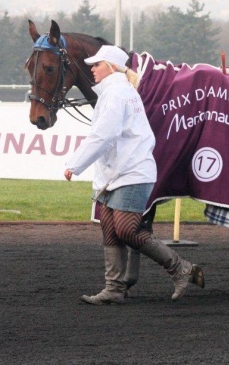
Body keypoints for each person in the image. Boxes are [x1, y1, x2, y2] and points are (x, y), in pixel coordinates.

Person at [64, 45, 204, 305]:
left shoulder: (117, 93)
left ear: (112, 67)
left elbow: (104, 135)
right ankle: (114, 289)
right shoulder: (118, 91)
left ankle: (181, 268)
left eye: (97, 64)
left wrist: (75, 164)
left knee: (127, 230)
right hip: (117, 172)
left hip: (132, 172)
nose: (92, 68)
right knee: (110, 230)